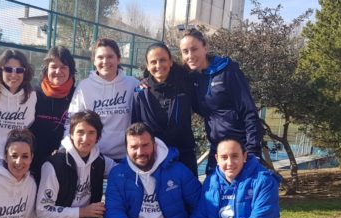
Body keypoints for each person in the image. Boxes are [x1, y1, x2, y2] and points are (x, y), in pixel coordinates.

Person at [179, 28, 264, 175]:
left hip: (240, 149)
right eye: (185, 51)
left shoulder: (228, 71)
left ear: (205, 48)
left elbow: (249, 112)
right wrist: (146, 80)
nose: (190, 55)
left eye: (194, 49)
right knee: (212, 194)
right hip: (217, 150)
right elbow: (163, 72)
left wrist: (252, 151)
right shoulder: (192, 78)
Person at [67, 38, 139, 162]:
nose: (105, 61)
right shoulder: (84, 86)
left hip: (126, 156)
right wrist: (66, 149)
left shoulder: (133, 84)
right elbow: (71, 121)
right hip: (94, 156)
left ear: (118, 59)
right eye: (100, 57)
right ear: (94, 61)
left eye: (110, 56)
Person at [133, 42, 198, 176]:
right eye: (153, 62)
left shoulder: (186, 86)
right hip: (153, 161)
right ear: (147, 65)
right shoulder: (140, 94)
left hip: (184, 158)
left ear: (171, 62)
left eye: (162, 60)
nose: (158, 65)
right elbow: (134, 130)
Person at [0, 49, 37, 157]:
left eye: (19, 70)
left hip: (16, 162)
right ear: (0, 70)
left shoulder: (31, 96)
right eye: (8, 69)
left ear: (25, 72)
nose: (14, 75)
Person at [28, 46, 77, 181]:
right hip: (32, 163)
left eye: (63, 67)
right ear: (46, 69)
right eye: (53, 66)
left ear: (70, 70)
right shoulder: (33, 94)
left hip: (63, 163)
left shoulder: (78, 95)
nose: (58, 71)